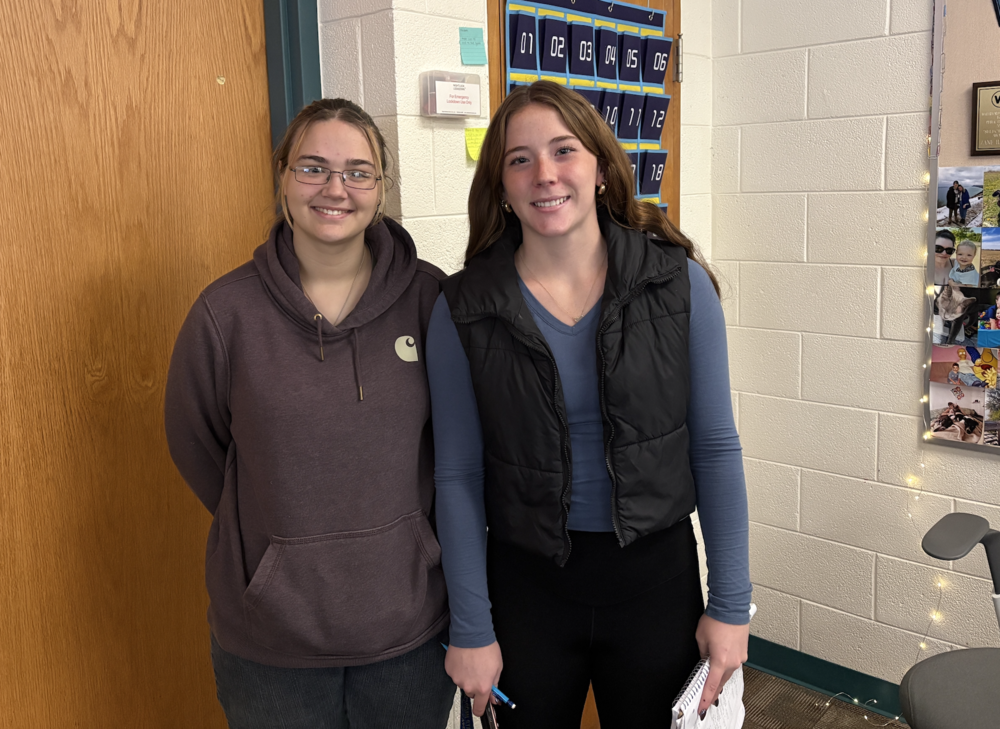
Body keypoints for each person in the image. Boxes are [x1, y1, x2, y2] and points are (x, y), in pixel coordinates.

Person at [426, 80, 751, 728]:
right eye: (519, 158)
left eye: (563, 150)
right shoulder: (461, 308)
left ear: (600, 167)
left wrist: (732, 606)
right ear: (502, 185)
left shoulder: (678, 284)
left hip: (657, 585)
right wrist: (470, 626)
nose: (544, 174)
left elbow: (714, 447)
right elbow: (457, 473)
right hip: (526, 590)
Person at [164, 99, 455, 729]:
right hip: (271, 643)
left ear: (381, 188)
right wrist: (276, 551)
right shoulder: (224, 315)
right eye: (313, 168)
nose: (335, 189)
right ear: (282, 177)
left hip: (406, 635)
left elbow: (457, 450)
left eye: (358, 171)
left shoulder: (431, 301)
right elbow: (199, 446)